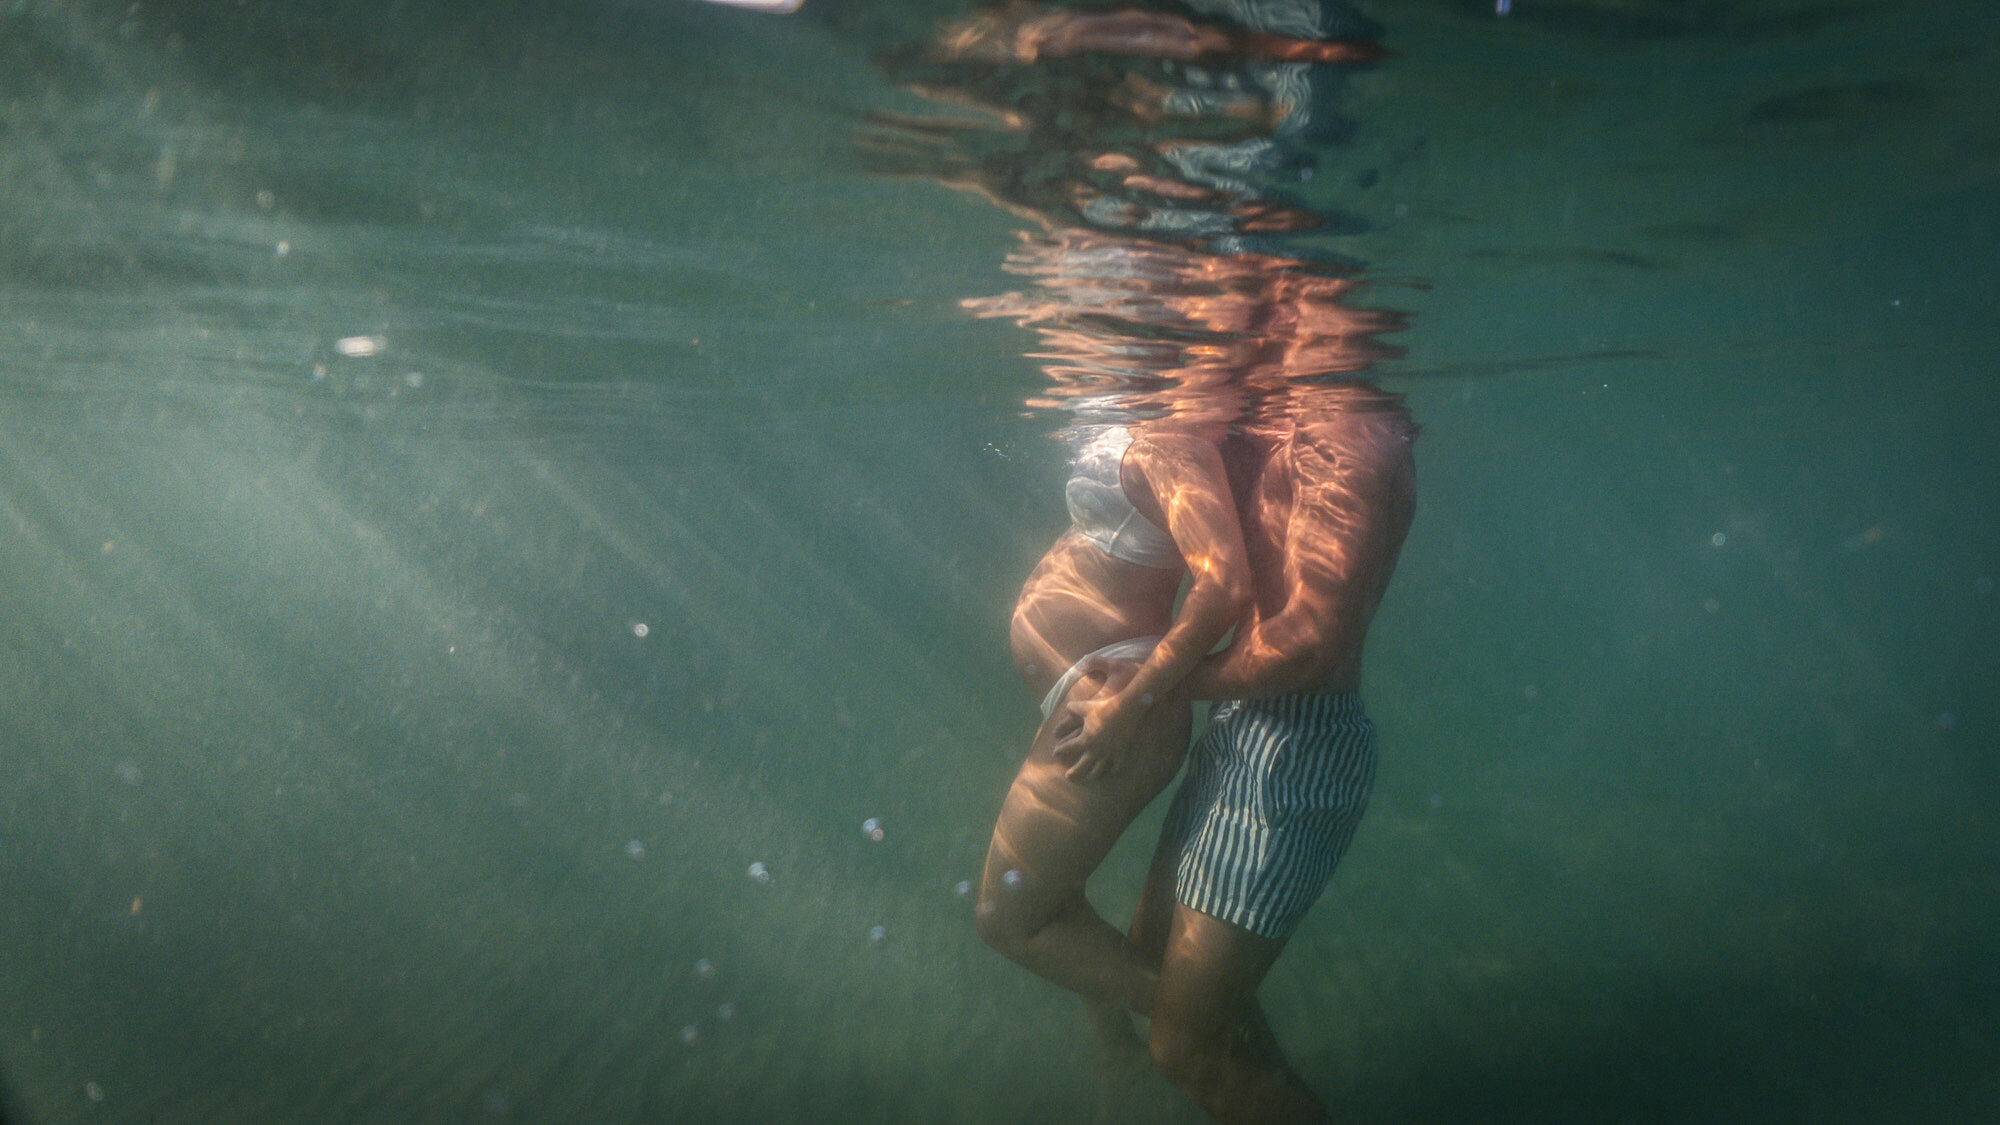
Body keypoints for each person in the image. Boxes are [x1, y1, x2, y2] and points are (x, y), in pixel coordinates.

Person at [1055, 377, 1417, 1122]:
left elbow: (1306, 646)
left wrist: (1146, 691)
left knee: (1186, 1048)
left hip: (1294, 746)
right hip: (1247, 729)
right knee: (1169, 986)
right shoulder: (1294, 421)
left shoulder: (1344, 434)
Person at [975, 403, 1251, 1038]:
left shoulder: (1173, 437)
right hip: (1096, 699)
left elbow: (1226, 586)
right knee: (1053, 893)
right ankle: (1121, 1043)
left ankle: (1218, 1039)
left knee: (1007, 922)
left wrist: (1129, 707)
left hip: (1118, 709)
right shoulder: (1154, 418)